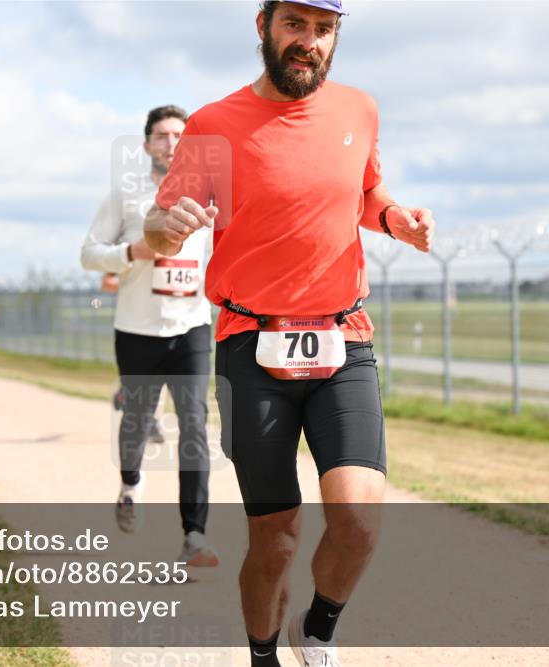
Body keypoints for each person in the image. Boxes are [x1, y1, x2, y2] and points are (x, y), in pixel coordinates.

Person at [144, 2, 435, 665]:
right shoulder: (212, 125)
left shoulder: (359, 109)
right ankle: (263, 656)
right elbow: (160, 228)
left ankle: (319, 629)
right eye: (295, 25)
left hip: (343, 339)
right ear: (263, 27)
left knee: (358, 522)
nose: (309, 42)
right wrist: (170, 227)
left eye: (323, 30)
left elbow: (367, 194)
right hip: (251, 346)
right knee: (275, 539)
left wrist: (396, 218)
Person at [81, 105, 217, 567]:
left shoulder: (209, 196)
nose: (171, 143)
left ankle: (194, 535)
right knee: (137, 420)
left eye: (180, 135)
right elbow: (89, 253)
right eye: (162, 135)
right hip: (137, 329)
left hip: (191, 326)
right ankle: (130, 486)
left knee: (194, 425)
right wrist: (131, 252)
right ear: (146, 144)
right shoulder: (126, 195)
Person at [103, 272, 166, 445]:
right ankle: (125, 393)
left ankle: (153, 422)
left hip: (163, 323)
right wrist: (136, 285)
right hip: (133, 326)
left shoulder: (171, 258)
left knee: (162, 377)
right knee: (138, 377)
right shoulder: (130, 257)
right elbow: (106, 282)